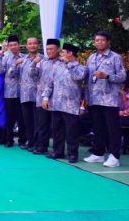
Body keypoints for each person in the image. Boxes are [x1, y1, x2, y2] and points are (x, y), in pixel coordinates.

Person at [84, 31, 126, 167]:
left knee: (112, 129)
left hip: (110, 99)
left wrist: (107, 76)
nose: (99, 42)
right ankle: (98, 154)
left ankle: (114, 156)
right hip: (94, 99)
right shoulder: (91, 58)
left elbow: (122, 77)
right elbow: (88, 79)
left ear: (108, 42)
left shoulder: (115, 57)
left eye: (102, 40)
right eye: (97, 40)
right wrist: (86, 97)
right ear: (94, 42)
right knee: (98, 127)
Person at [43, 43, 88, 163]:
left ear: (70, 53)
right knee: (57, 129)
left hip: (71, 105)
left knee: (71, 131)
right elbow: (49, 83)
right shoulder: (57, 66)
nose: (60, 53)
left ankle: (72, 154)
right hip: (56, 103)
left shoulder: (81, 68)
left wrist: (69, 64)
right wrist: (45, 97)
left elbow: (77, 77)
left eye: (63, 52)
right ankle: (58, 151)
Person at [29, 39, 61, 155]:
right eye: (47, 49)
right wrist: (33, 63)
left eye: (52, 49)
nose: (49, 51)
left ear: (58, 49)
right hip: (42, 98)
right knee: (42, 124)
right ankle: (42, 146)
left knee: (57, 126)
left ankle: (58, 150)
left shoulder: (63, 62)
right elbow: (32, 75)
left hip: (58, 99)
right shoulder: (42, 62)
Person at [0, 35, 25, 148]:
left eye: (15, 44)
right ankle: (9, 140)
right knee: (10, 118)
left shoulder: (24, 58)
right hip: (9, 92)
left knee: (22, 118)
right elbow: (0, 71)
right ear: (8, 46)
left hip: (22, 93)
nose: (13, 47)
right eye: (11, 45)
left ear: (19, 45)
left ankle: (23, 140)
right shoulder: (5, 58)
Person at [19, 37, 43, 151]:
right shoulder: (23, 60)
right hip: (24, 95)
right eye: (30, 44)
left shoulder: (43, 59)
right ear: (26, 46)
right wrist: (15, 65)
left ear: (38, 45)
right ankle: (30, 141)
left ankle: (38, 143)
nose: (32, 45)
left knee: (37, 121)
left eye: (34, 43)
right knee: (27, 121)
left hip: (37, 95)